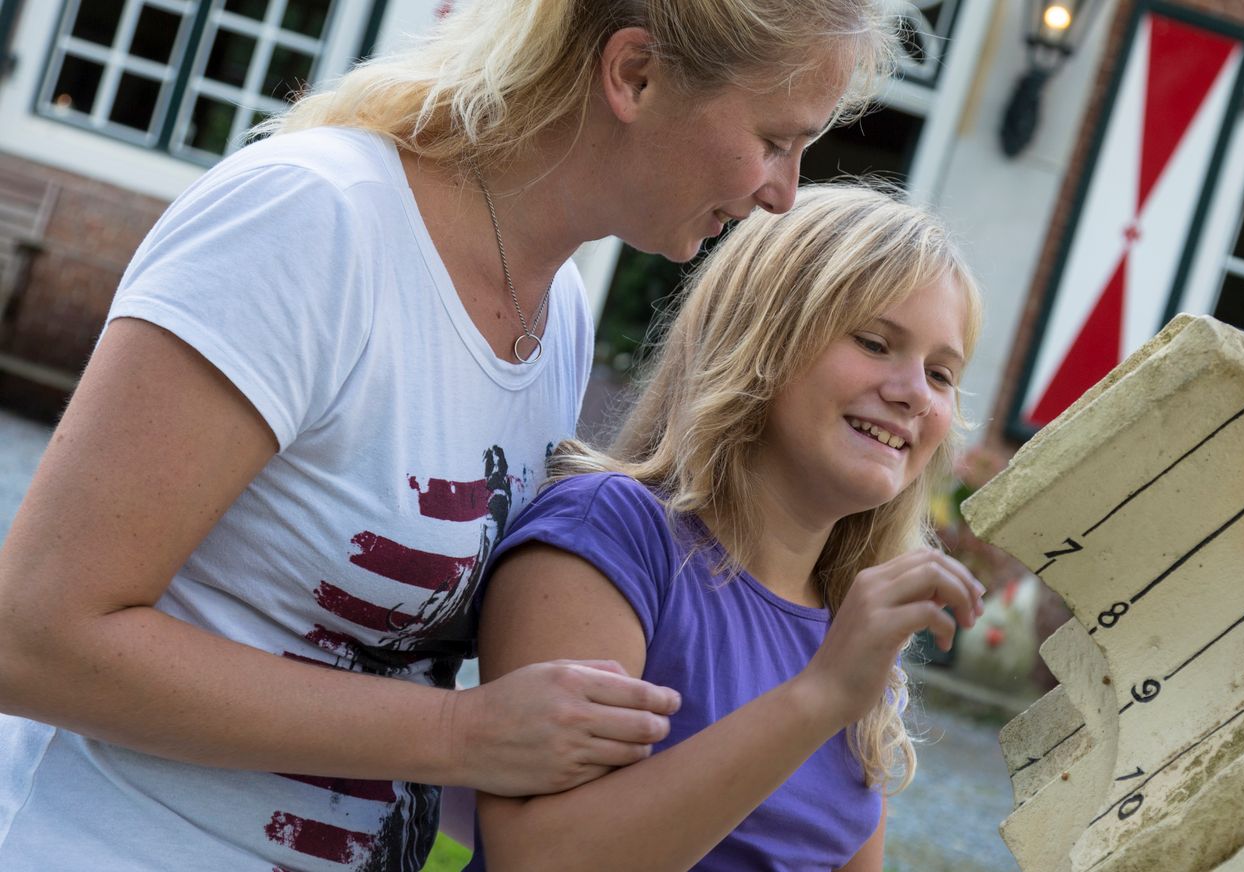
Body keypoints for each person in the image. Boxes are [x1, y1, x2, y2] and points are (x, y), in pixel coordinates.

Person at [0, 1, 897, 868]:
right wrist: (458, 733)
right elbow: (33, 639)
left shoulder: (559, 319)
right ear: (634, 74)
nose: (783, 194)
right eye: (774, 142)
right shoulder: (315, 221)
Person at [471, 184, 986, 871]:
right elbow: (537, 860)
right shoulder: (611, 534)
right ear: (764, 338)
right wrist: (819, 697)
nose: (914, 393)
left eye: (942, 374)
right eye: (873, 342)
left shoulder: (850, 623)